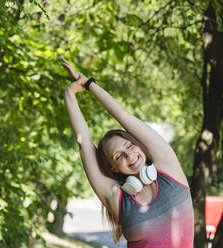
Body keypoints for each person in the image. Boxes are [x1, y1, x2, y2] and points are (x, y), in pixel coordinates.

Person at [62, 57, 194, 248]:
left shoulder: (168, 168)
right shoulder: (116, 197)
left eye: (130, 146)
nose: (129, 156)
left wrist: (89, 83)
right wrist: (69, 94)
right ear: (113, 168)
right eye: (118, 156)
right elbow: (84, 143)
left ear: (139, 145)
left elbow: (124, 116)